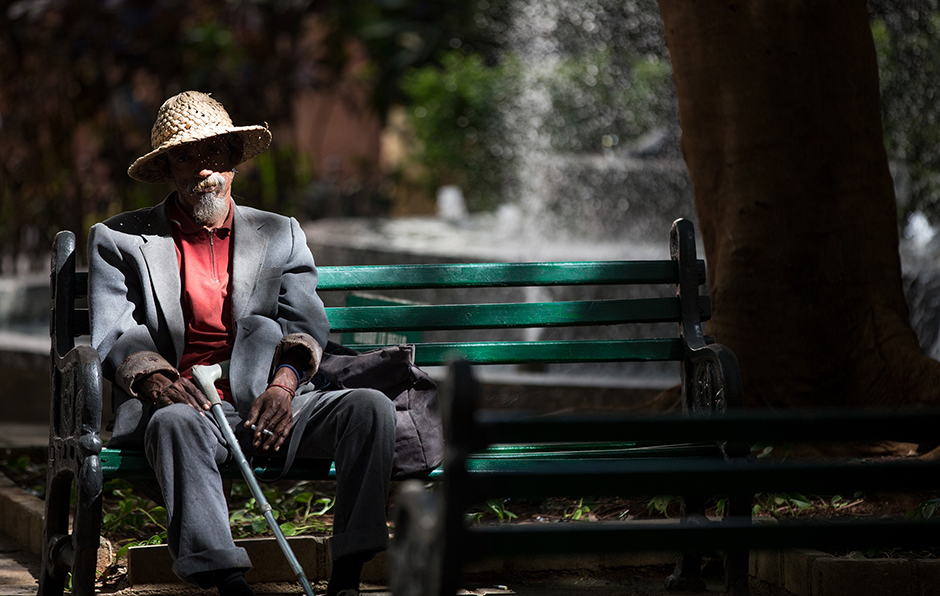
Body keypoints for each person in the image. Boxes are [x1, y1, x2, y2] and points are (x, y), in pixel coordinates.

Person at [89, 91, 395, 596]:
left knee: (369, 408)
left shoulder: (280, 232)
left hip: (274, 403)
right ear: (168, 169)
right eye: (186, 157)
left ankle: (347, 577)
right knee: (172, 424)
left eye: (214, 152)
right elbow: (115, 330)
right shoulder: (120, 240)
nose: (202, 168)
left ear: (233, 158)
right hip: (190, 407)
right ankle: (228, 583)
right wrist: (158, 380)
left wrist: (285, 385)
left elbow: (304, 322)